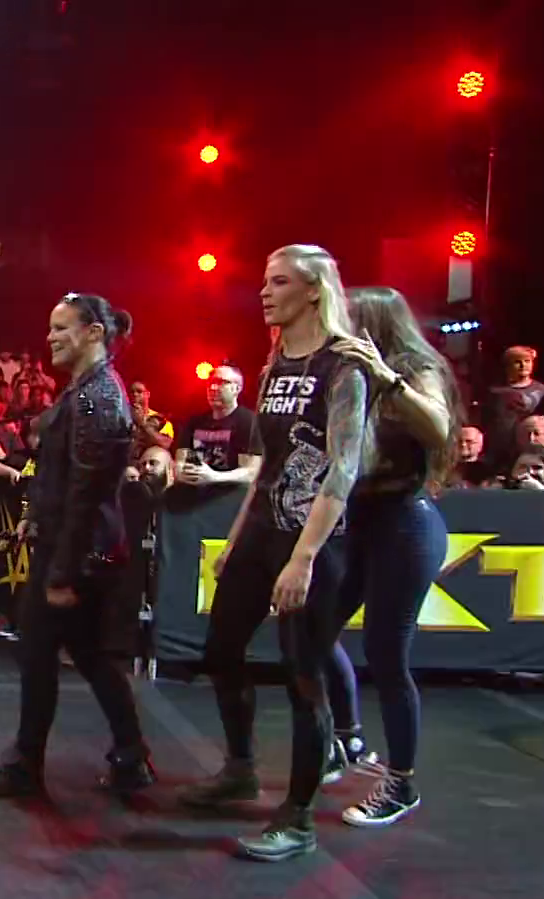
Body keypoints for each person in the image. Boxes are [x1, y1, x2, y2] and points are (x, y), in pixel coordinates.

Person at [179, 244, 371, 863]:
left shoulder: (343, 364)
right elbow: (266, 467)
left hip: (313, 539)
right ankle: (239, 769)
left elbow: (342, 469)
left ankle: (298, 818)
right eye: (265, 281)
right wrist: (237, 541)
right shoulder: (274, 365)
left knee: (302, 676)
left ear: (313, 290)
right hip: (262, 529)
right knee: (220, 650)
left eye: (280, 281)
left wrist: (303, 557)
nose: (264, 292)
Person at [0, 293, 154, 802]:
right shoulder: (85, 389)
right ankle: (130, 755)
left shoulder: (98, 398)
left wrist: (63, 573)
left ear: (93, 333)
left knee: (39, 653)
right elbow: (58, 474)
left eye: (61, 328)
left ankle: (25, 765)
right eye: (49, 327)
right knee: (90, 655)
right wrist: (33, 515)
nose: (49, 337)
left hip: (80, 553)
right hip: (76, 547)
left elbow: (87, 494)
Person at [320, 286, 461, 828]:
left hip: (406, 521)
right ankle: (348, 738)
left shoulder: (413, 369)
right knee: (313, 631)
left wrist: (386, 377)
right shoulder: (346, 369)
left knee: (386, 653)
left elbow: (439, 428)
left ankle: (401, 782)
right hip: (362, 519)